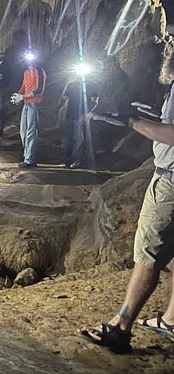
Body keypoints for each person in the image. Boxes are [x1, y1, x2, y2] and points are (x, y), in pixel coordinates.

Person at [79, 42, 174, 353]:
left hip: (171, 180)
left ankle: (121, 326)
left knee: (148, 252)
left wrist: (132, 122)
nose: (167, 48)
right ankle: (172, 320)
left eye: (171, 43)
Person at [56, 70, 99, 168]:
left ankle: (78, 161)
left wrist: (86, 114)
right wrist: (57, 108)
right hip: (69, 114)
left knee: (79, 138)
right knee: (68, 138)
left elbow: (95, 102)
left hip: (81, 116)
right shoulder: (71, 85)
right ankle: (67, 161)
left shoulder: (92, 85)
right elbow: (64, 98)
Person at [11, 50, 46, 168]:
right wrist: (17, 96)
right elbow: (24, 87)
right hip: (26, 104)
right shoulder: (26, 72)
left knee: (31, 131)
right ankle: (27, 155)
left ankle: (29, 159)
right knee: (23, 131)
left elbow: (39, 90)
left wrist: (23, 97)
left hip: (35, 104)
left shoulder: (39, 71)